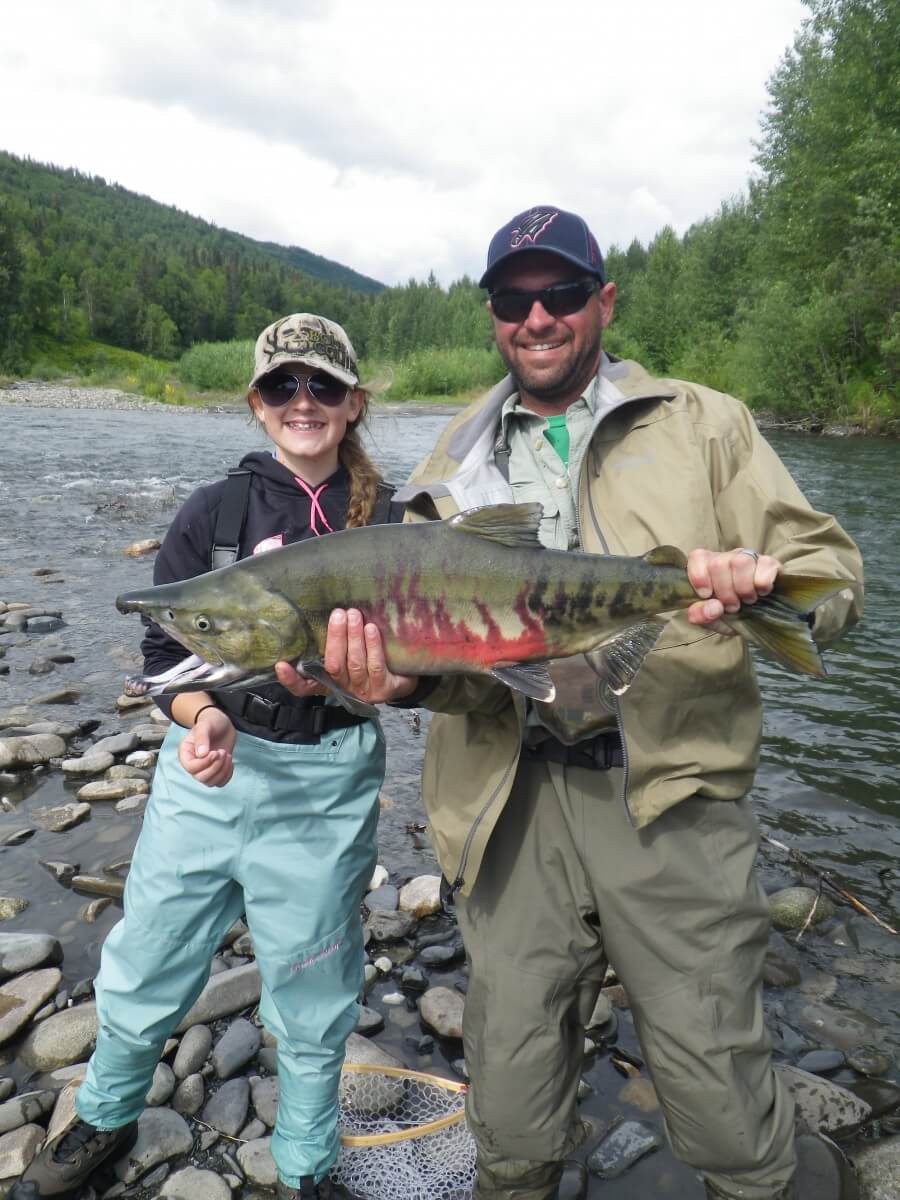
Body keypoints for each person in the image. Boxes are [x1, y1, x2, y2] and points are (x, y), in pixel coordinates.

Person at [282, 209, 864, 1200]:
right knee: (509, 1122)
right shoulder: (449, 469)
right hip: (506, 810)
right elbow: (460, 665)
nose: (538, 317)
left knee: (726, 1114)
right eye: (514, 299)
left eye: (560, 294)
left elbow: (834, 580)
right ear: (495, 315)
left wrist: (764, 581)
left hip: (668, 798)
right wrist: (404, 683)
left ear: (603, 300)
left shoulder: (705, 425)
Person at [14, 313, 397, 1200]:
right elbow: (161, 667)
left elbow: (415, 678)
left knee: (314, 986)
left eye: (323, 387)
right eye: (282, 387)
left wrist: (361, 687)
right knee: (146, 956)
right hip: (206, 779)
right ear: (256, 404)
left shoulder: (392, 523)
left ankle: (305, 1164)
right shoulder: (211, 513)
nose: (303, 403)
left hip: (327, 787)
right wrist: (199, 718)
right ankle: (104, 1115)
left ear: (353, 404)